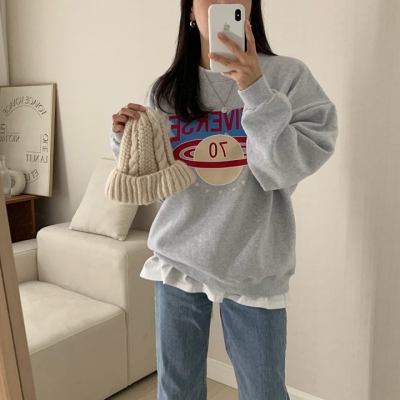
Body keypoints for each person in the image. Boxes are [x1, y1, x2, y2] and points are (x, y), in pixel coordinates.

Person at [110, 1, 338, 399]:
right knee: (177, 391)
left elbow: (285, 169)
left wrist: (256, 89)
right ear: (190, 12)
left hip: (255, 260)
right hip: (178, 257)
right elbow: (156, 177)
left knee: (264, 392)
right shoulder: (166, 89)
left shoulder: (287, 77)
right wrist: (124, 137)